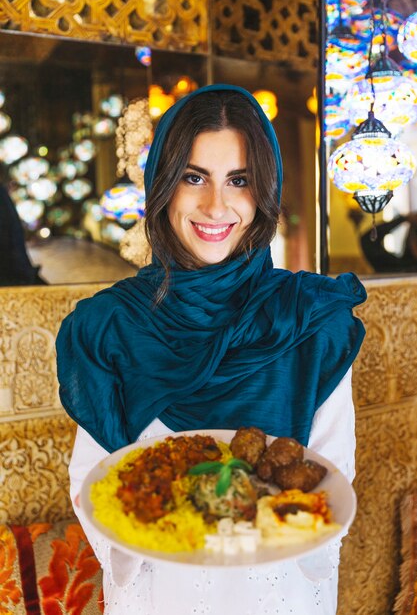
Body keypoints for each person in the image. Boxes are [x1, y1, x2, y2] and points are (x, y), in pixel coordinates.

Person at [56, 84, 366, 615]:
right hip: (157, 598)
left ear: (263, 191)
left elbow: (331, 471)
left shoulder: (310, 320)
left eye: (239, 180)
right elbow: (92, 477)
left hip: (281, 596)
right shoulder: (109, 327)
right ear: (162, 185)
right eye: (192, 177)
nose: (215, 205)